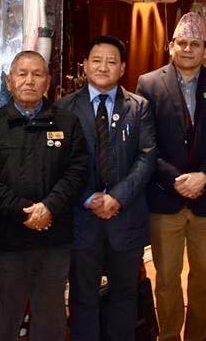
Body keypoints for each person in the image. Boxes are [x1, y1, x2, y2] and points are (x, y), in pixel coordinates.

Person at [136, 11, 206, 341]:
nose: (188, 49)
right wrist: (176, 180)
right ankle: (168, 337)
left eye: (195, 44)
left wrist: (203, 176)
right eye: (182, 43)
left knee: (205, 277)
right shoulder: (149, 84)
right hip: (165, 197)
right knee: (166, 277)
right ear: (171, 46)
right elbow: (145, 142)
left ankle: (197, 337)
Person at [0, 50, 89, 341]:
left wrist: (49, 207)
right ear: (9, 81)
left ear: (47, 82)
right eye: (22, 74)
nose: (29, 80)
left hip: (53, 240)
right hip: (5, 240)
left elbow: (77, 172)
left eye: (37, 74)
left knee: (50, 320)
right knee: (3, 320)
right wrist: (23, 211)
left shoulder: (67, 123)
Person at [57, 35, 157, 341]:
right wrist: (88, 198)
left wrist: (117, 197)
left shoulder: (139, 107)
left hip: (125, 218)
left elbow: (147, 157)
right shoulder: (64, 108)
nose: (103, 67)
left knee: (125, 296)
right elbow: (60, 164)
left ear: (122, 68)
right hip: (80, 219)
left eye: (111, 61)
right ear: (85, 65)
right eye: (96, 60)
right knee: (82, 296)